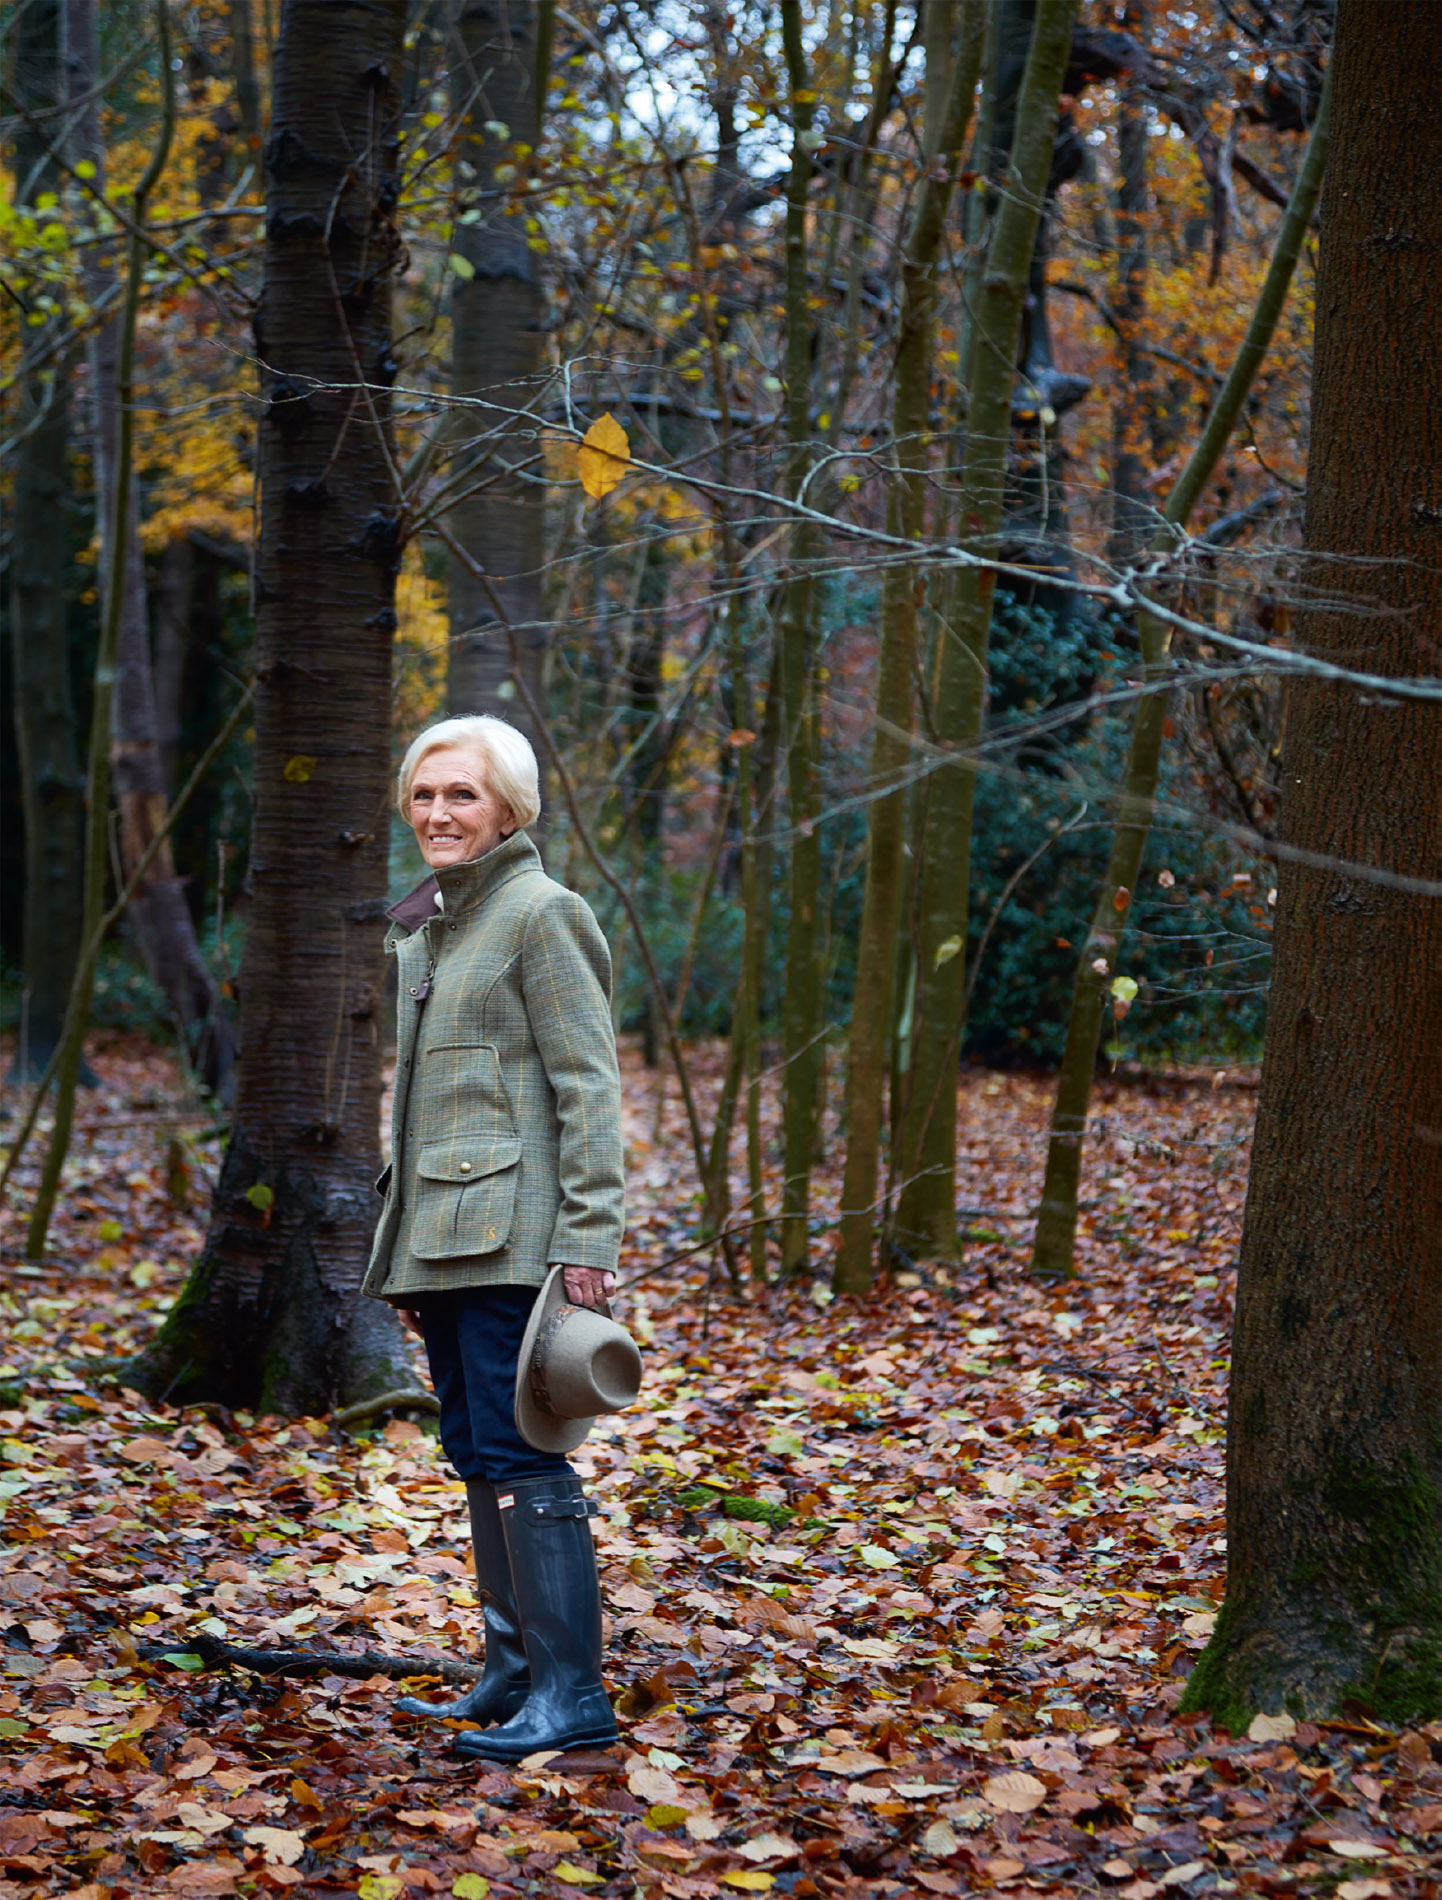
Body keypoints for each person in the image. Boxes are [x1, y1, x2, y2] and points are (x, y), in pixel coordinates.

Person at [362, 714, 626, 1762]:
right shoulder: (428, 926)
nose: (438, 814)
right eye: (425, 796)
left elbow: (587, 1088)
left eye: (461, 795)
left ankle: (572, 1697)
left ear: (508, 807)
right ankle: (511, 1675)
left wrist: (588, 1239)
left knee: (523, 1453)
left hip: (519, 1237)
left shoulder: (539, 913)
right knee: (476, 1452)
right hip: (436, 1232)